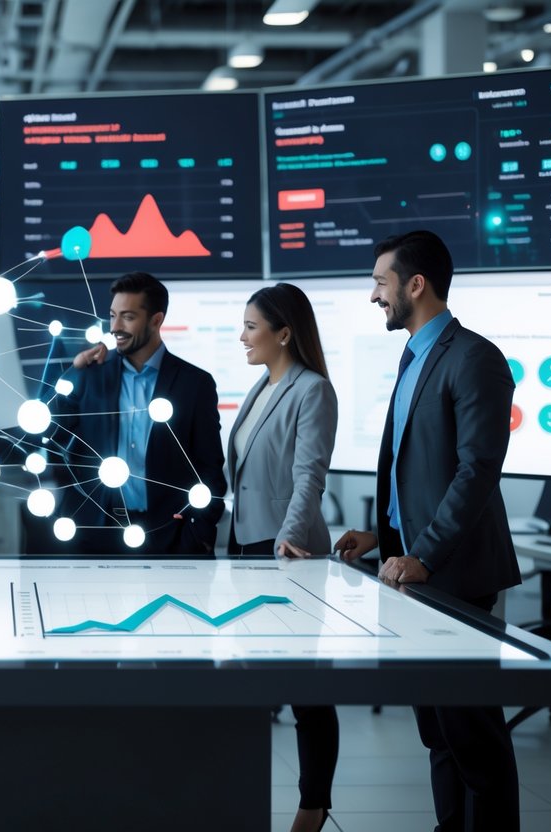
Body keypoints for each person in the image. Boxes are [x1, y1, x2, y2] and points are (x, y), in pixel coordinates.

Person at [335, 230, 522, 832]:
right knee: (439, 733)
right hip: (410, 572)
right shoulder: (415, 355)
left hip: (453, 574)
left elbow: (476, 471)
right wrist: (381, 535)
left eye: (380, 282)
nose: (373, 296)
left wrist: (423, 554)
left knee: (475, 739)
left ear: (416, 284)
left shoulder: (474, 357)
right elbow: (415, 471)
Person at [225, 283, 339, 832]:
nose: (242, 336)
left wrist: (289, 539)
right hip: (245, 548)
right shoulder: (259, 388)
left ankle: (313, 806)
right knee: (254, 678)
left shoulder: (311, 389)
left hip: (288, 553)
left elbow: (308, 474)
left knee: (305, 689)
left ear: (284, 332)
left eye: (251, 326)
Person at [52, 272, 226, 555]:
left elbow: (209, 467)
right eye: (112, 316)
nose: (115, 327)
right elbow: (47, 430)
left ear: (156, 320)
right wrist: (73, 370)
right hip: (96, 534)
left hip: (169, 538)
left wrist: (200, 533)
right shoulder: (90, 375)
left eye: (128, 317)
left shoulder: (194, 384)